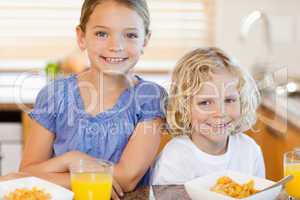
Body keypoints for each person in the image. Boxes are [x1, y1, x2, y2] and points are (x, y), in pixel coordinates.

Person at [10, 0, 166, 198]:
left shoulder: (150, 98)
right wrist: (70, 159)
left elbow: (127, 178)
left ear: (145, 40)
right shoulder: (54, 95)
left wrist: (70, 172)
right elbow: (26, 174)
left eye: (130, 35)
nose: (115, 46)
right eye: (102, 34)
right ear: (82, 37)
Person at [151, 47, 265, 185]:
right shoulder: (175, 157)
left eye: (229, 100)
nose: (220, 113)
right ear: (184, 108)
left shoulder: (250, 150)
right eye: (205, 103)